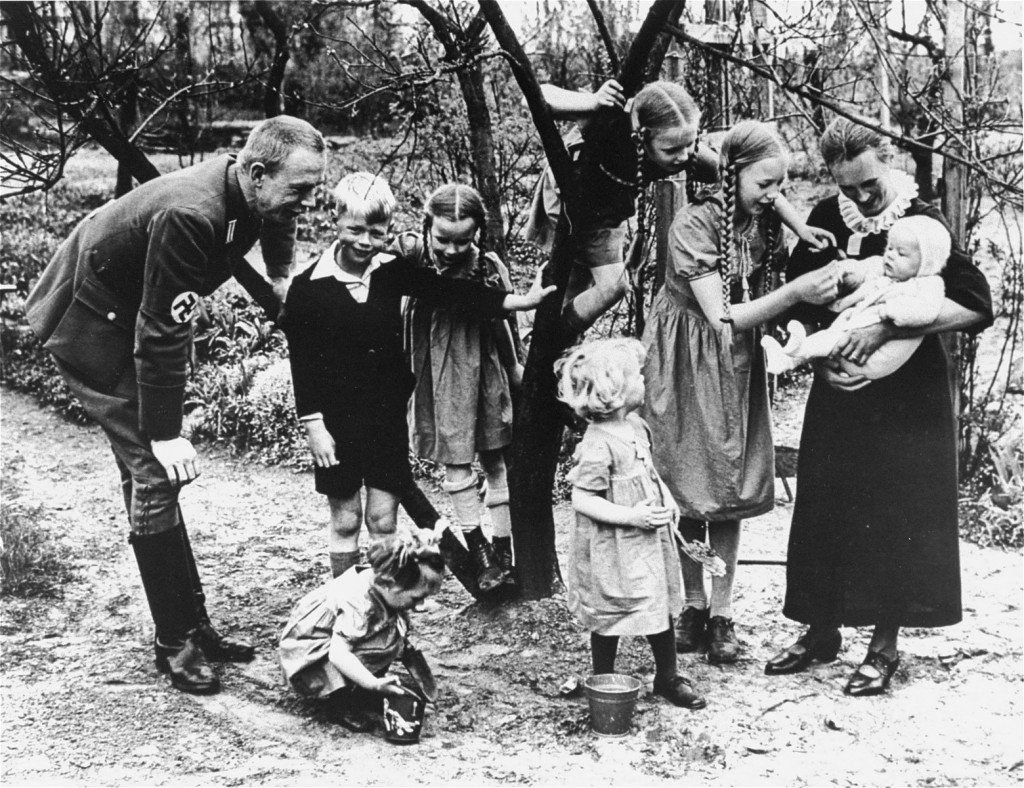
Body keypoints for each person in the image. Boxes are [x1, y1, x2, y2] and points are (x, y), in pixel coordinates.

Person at [24, 115, 327, 694]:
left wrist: (282, 278)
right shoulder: (193, 213)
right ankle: (174, 641)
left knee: (152, 478)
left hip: (128, 312)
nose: (306, 204)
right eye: (300, 190)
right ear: (258, 173)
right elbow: (162, 330)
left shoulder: (252, 191)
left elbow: (279, 216)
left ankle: (194, 622)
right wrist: (164, 432)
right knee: (155, 472)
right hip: (91, 323)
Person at [765, 117, 992, 696]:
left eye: (868, 184)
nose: (862, 197)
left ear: (883, 160)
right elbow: (800, 299)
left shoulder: (922, 220)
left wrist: (885, 328)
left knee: (896, 508)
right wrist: (820, 354)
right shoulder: (824, 220)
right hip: (839, 384)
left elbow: (975, 305)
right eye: (848, 188)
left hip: (906, 396)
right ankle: (821, 631)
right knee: (825, 497)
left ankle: (883, 645)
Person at [283, 173, 552, 581]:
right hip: (336, 422)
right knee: (345, 518)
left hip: (385, 416)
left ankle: (385, 603)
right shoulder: (309, 286)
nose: (364, 241)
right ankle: (345, 600)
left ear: (388, 231)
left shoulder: (391, 270)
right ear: (334, 219)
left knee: (382, 517)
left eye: (375, 232)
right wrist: (313, 424)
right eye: (354, 229)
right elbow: (303, 359)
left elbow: (453, 294)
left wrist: (521, 301)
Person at [641, 120, 842, 665]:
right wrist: (795, 291)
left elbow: (766, 200)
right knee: (688, 477)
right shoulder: (693, 225)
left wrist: (795, 219)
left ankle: (723, 612)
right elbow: (721, 316)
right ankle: (694, 605)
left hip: (732, 360)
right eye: (764, 184)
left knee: (728, 479)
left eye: (782, 184)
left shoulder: (755, 214)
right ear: (731, 179)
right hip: (688, 351)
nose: (774, 194)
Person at [525, 79, 834, 337]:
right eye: (672, 149)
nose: (684, 156)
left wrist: (801, 228)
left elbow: (747, 179)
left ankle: (553, 341)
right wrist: (592, 102)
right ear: (641, 137)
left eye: (690, 144)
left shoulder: (686, 151)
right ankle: (547, 341)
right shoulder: (611, 122)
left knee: (597, 287)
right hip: (570, 202)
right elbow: (538, 95)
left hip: (609, 216)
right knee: (581, 282)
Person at [556, 337, 706, 710]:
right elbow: (581, 498)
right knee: (610, 610)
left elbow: (648, 472)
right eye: (638, 376)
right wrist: (632, 517)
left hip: (647, 542)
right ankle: (604, 678)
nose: (645, 379)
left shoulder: (636, 428)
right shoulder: (597, 444)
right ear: (616, 392)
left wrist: (667, 500)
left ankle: (668, 676)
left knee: (658, 601)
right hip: (614, 545)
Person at [398, 183, 522, 593]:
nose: (452, 250)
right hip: (439, 371)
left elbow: (506, 322)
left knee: (495, 456)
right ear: (427, 226)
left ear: (478, 233)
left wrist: (513, 365)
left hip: (484, 366)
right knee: (456, 460)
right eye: (443, 239)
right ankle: (478, 544)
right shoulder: (414, 261)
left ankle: (503, 547)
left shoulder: (486, 266)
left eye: (463, 240)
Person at [278, 530, 444, 732]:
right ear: (391, 584)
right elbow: (339, 655)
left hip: (339, 639)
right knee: (379, 645)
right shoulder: (358, 601)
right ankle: (341, 703)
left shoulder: (385, 583)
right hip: (310, 652)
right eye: (416, 598)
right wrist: (373, 683)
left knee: (390, 638)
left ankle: (363, 692)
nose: (420, 606)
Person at [761, 214, 950, 379]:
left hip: (879, 355)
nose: (890, 256)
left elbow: (927, 311)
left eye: (901, 254)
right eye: (890, 248)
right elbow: (862, 269)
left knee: (835, 337)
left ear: (926, 263)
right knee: (829, 335)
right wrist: (844, 271)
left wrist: (888, 312)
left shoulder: (928, 284)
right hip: (856, 350)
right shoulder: (884, 269)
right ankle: (786, 359)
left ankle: (797, 353)